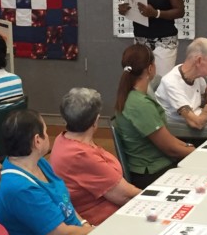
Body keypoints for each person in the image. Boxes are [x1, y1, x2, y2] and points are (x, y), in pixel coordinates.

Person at [0, 109, 93, 235]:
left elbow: (65, 204)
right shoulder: (20, 189)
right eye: (45, 131)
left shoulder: (39, 163)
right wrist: (98, 232)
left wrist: (84, 224)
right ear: (37, 140)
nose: (48, 135)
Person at [50, 87, 141, 225]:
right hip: (102, 224)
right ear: (96, 120)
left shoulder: (62, 139)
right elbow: (125, 195)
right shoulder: (80, 155)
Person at [114, 44, 195, 189]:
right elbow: (170, 148)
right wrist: (198, 154)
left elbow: (169, 140)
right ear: (150, 69)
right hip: (152, 172)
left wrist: (190, 148)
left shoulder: (134, 97)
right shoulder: (139, 104)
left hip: (155, 166)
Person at [155, 37, 207, 138]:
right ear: (199, 60)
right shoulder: (172, 83)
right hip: (186, 135)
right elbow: (197, 123)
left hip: (205, 125)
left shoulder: (193, 74)